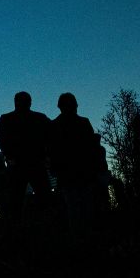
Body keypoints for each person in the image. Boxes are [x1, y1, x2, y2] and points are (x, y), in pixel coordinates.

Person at [0, 92, 51, 221]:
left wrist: (9, 154)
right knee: (22, 200)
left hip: (25, 164)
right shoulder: (39, 118)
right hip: (29, 164)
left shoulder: (7, 119)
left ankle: (20, 227)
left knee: (18, 201)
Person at [48, 93, 97, 235]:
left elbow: (51, 150)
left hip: (68, 172)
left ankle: (78, 238)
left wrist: (54, 168)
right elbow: (92, 148)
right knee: (84, 207)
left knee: (73, 208)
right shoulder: (83, 123)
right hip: (82, 171)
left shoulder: (55, 125)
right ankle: (85, 237)